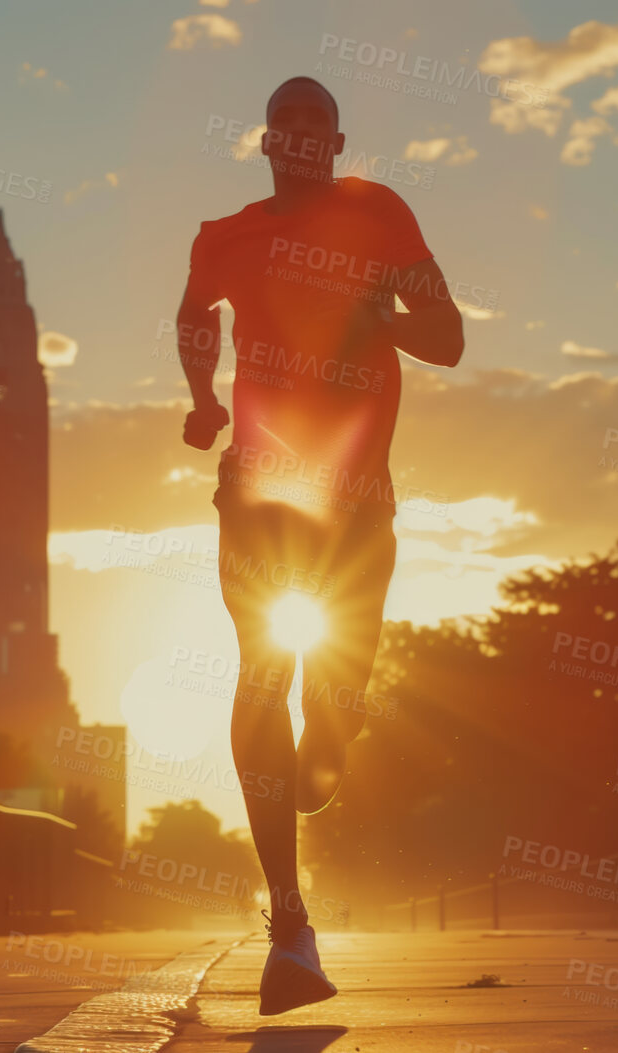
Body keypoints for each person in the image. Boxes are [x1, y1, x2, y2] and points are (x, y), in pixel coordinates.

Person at [174, 75, 464, 1015]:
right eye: (282, 119)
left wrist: (374, 313)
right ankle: (289, 924)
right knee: (261, 667)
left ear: (336, 143)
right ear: (264, 141)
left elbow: (449, 337)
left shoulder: (379, 215)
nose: (297, 132)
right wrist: (203, 398)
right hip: (256, 483)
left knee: (330, 708)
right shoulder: (223, 236)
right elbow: (193, 316)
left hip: (357, 499)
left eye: (314, 120)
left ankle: (329, 735)